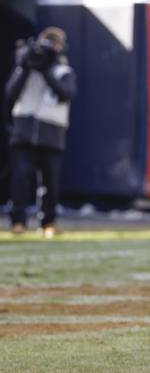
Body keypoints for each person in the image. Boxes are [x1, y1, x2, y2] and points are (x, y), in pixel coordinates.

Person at [5, 28, 77, 237]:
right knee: (20, 178)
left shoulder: (63, 70)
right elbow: (10, 94)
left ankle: (48, 222)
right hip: (24, 130)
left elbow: (66, 94)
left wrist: (47, 70)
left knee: (50, 182)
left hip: (51, 132)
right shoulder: (26, 66)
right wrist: (26, 67)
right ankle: (18, 221)